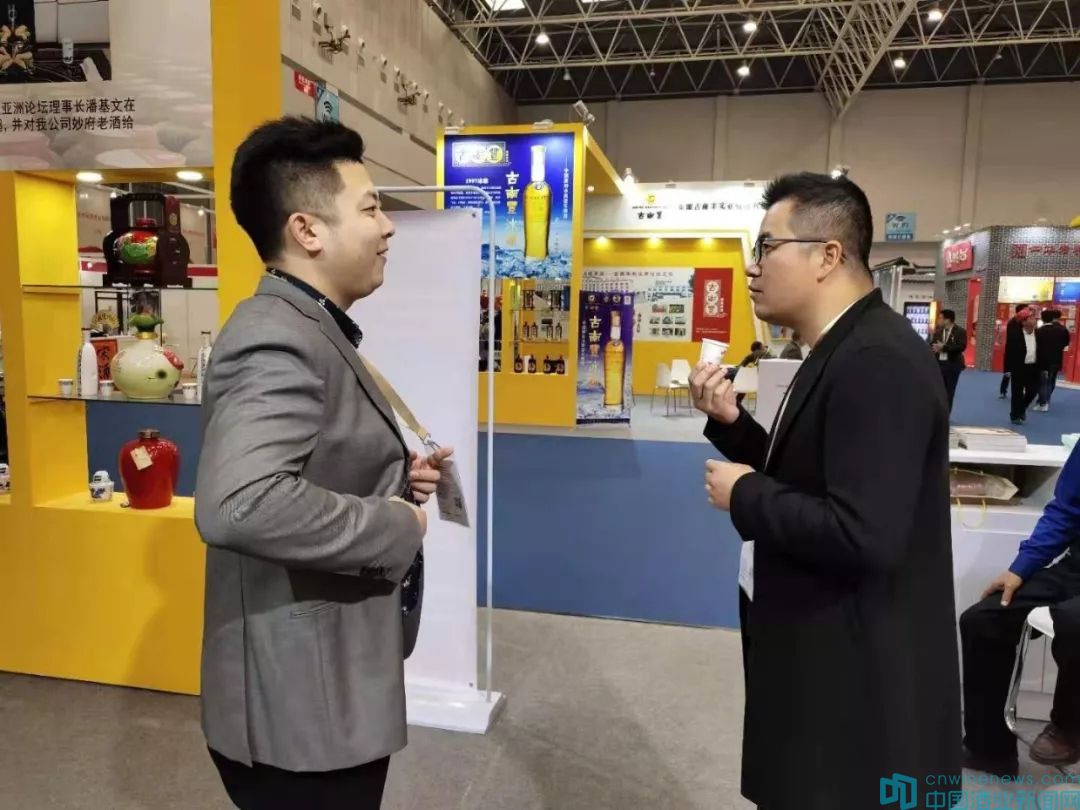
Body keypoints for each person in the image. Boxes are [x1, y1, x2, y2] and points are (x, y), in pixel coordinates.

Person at [194, 117, 453, 810]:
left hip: (322, 689)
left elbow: (306, 467)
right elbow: (240, 503)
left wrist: (394, 482)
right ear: (307, 230)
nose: (388, 227)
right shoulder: (276, 338)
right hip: (300, 709)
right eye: (370, 209)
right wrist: (397, 524)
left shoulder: (309, 326)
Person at [690, 172, 960, 810]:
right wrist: (734, 426)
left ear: (828, 255)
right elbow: (813, 474)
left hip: (854, 678)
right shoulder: (839, 347)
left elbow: (864, 533)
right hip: (821, 652)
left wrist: (746, 495)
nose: (752, 267)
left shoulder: (876, 360)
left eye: (767, 247)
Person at [960, 442, 1080, 772]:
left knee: (1073, 621)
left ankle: (1068, 728)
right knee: (983, 619)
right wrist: (1021, 568)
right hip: (1075, 569)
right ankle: (989, 751)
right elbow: (1066, 511)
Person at [1005, 306, 1039, 424]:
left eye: (1034, 318)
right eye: (1031, 318)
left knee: (1033, 391)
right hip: (1019, 367)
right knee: (1017, 392)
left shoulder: (1039, 334)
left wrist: (1044, 368)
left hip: (1033, 367)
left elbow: (1043, 352)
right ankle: (1015, 415)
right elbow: (1009, 351)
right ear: (1023, 322)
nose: (1034, 320)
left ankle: (1021, 408)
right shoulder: (1015, 335)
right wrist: (1007, 369)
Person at [929, 308, 967, 414]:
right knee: (939, 390)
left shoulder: (960, 331)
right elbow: (932, 344)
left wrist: (944, 348)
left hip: (953, 365)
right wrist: (933, 347)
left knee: (949, 391)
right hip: (939, 365)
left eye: (941, 318)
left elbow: (961, 347)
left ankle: (946, 414)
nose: (938, 320)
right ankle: (939, 413)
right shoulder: (938, 331)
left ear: (948, 320)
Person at [1035, 308, 1070, 412]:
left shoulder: (1040, 330)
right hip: (1056, 358)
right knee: (1051, 379)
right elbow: (1066, 343)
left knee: (1042, 381)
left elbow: (1035, 345)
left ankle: (1042, 401)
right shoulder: (1063, 329)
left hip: (1042, 358)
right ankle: (1046, 399)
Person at [1000, 304, 1029, 399]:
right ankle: (1003, 391)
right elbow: (1014, 338)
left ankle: (1020, 390)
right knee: (1008, 372)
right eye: (1026, 310)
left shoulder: (1023, 322)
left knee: (1021, 373)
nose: (1028, 312)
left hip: (1021, 352)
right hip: (1012, 351)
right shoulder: (1013, 322)